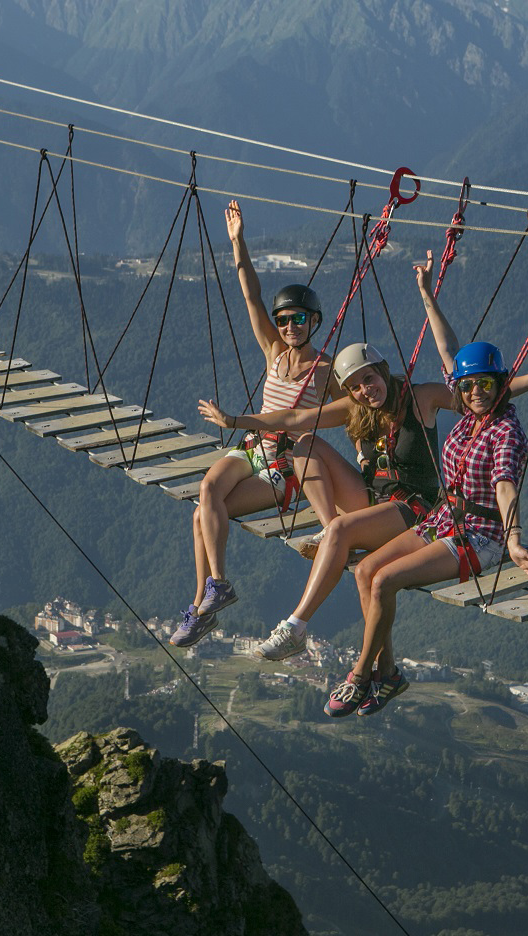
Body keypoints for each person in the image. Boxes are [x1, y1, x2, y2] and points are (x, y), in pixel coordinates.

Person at [243, 253, 528, 662]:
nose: (365, 390)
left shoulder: (422, 399)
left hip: (412, 506)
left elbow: (478, 389)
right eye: (355, 386)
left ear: (382, 370)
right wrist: (239, 421)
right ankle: (335, 537)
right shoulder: (358, 407)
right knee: (306, 444)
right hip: (373, 499)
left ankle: (297, 624)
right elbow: (297, 418)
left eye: (369, 378)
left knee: (353, 546)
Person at [324, 338, 528, 719]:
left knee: (383, 581)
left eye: (485, 384)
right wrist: (428, 303)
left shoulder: (505, 431)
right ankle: (388, 674)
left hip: (479, 535)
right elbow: (448, 349)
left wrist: (514, 540)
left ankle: (360, 675)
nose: (475, 393)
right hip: (443, 519)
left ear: (501, 384)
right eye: (467, 386)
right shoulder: (471, 419)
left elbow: (505, 486)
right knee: (364, 572)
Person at [169, 200, 347, 647]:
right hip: (251, 449)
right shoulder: (274, 351)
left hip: (283, 468)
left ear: (314, 322)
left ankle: (201, 605)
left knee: (203, 516)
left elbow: (352, 411)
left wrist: (364, 459)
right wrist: (238, 242)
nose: (288, 326)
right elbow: (250, 295)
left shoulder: (325, 370)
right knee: (207, 491)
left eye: (298, 319)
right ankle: (216, 587)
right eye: (283, 320)